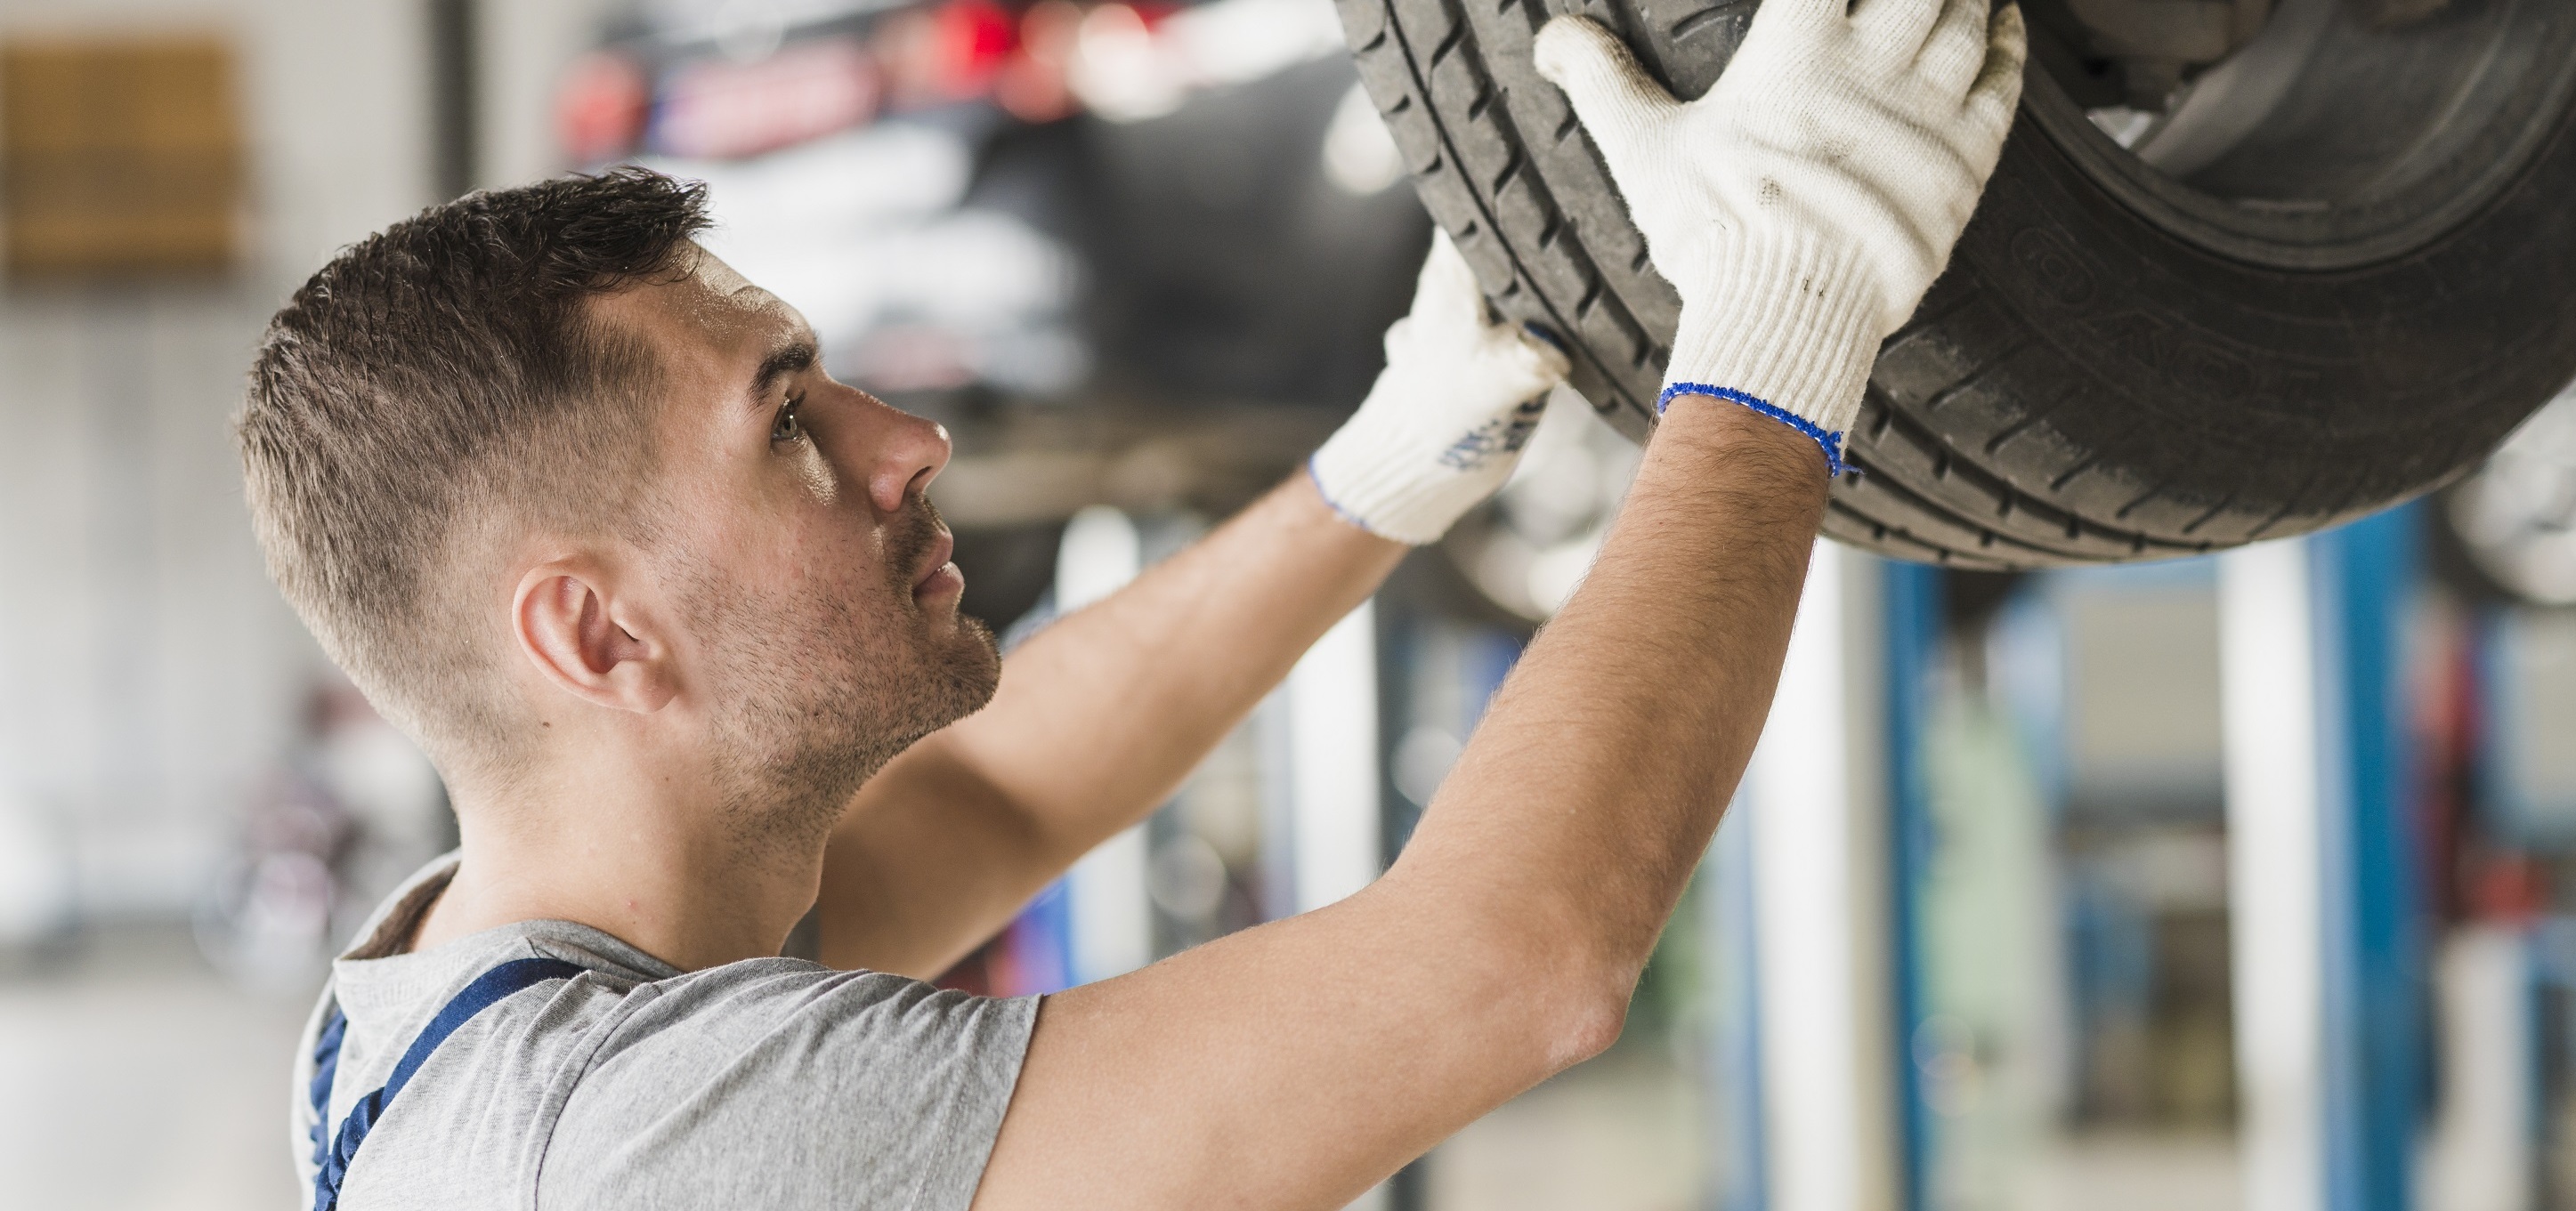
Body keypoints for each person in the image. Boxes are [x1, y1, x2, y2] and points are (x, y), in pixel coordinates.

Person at [242, 0, 2021, 1205]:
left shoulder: (477, 995)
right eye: (787, 427)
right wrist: (1787, 310)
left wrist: (1375, 478)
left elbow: (993, 795)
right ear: (597, 636)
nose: (908, 438)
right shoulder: (632, 1156)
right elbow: (1511, 966)